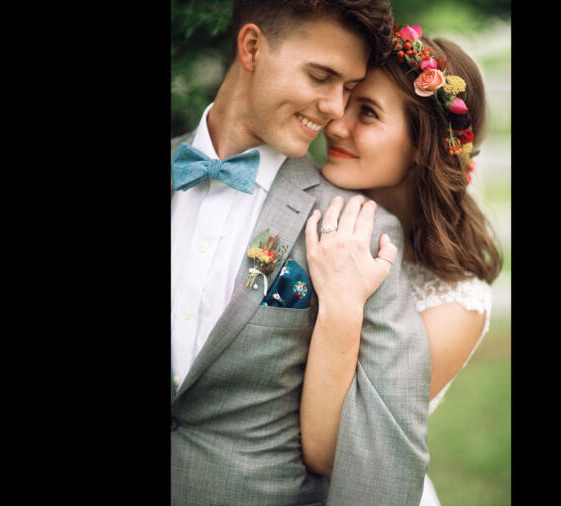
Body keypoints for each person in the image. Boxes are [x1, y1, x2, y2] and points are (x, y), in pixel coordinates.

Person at [170, 2, 431, 504]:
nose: (335, 109)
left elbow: (384, 449)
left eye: (351, 90)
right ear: (251, 48)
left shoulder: (362, 233)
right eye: (321, 76)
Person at [299, 26, 503, 506]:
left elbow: (341, 448)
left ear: (422, 145)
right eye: (346, 98)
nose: (336, 124)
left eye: (366, 112)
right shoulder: (312, 213)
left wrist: (342, 301)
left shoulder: (458, 302)